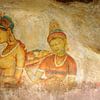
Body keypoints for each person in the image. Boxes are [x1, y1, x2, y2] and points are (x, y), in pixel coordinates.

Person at [32, 20, 77, 89]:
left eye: (58, 44)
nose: (55, 47)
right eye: (52, 45)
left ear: (64, 43)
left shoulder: (71, 62)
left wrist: (60, 85)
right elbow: (35, 80)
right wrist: (45, 82)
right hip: (44, 91)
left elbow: (71, 84)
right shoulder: (47, 60)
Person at [0, 15, 26, 86]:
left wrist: (2, 79)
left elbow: (16, 79)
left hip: (9, 89)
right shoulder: (5, 49)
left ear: (8, 31)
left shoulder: (18, 50)